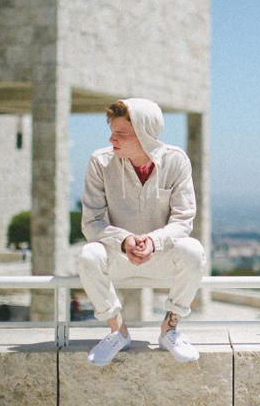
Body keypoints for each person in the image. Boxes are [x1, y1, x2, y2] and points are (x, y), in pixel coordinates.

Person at [78, 98, 205, 366]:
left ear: (145, 134)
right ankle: (117, 331)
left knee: (193, 250)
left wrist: (153, 241)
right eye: (112, 131)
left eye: (121, 133)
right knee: (89, 255)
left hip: (161, 258)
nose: (112, 139)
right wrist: (124, 240)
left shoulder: (176, 161)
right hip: (118, 258)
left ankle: (170, 328)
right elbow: (91, 222)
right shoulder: (100, 162)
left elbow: (183, 220)